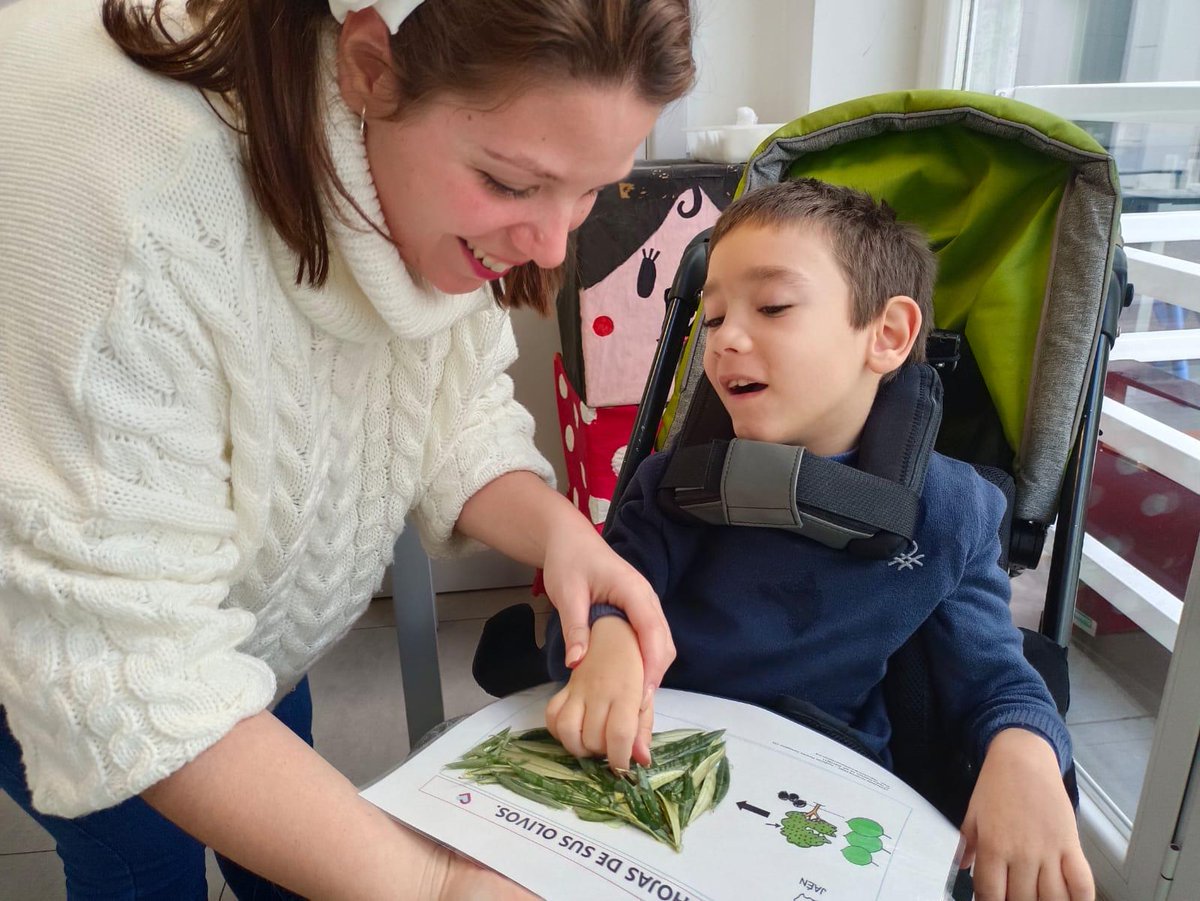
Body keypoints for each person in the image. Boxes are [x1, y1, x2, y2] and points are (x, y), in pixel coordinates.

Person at [0, 0, 693, 896]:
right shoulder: (126, 207)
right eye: (514, 184)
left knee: (294, 844)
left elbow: (448, 411)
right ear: (369, 69)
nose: (554, 242)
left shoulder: (430, 149)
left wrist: (564, 537)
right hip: (65, 630)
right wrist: (436, 885)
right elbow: (117, 663)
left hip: (249, 623)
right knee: (140, 865)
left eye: (593, 187)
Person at [544, 179, 1096, 901]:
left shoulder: (953, 511)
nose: (728, 339)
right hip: (652, 759)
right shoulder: (669, 486)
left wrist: (1024, 753)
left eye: (772, 307)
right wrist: (609, 641)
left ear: (888, 335)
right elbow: (603, 596)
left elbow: (994, 675)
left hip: (820, 798)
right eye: (711, 319)